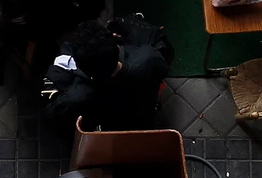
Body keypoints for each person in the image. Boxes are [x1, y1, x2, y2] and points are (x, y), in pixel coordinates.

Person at [40, 18, 169, 131]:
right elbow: (165, 52)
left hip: (105, 130)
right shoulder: (148, 59)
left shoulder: (75, 97)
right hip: (144, 120)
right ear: (118, 48)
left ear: (79, 66)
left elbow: (51, 116)